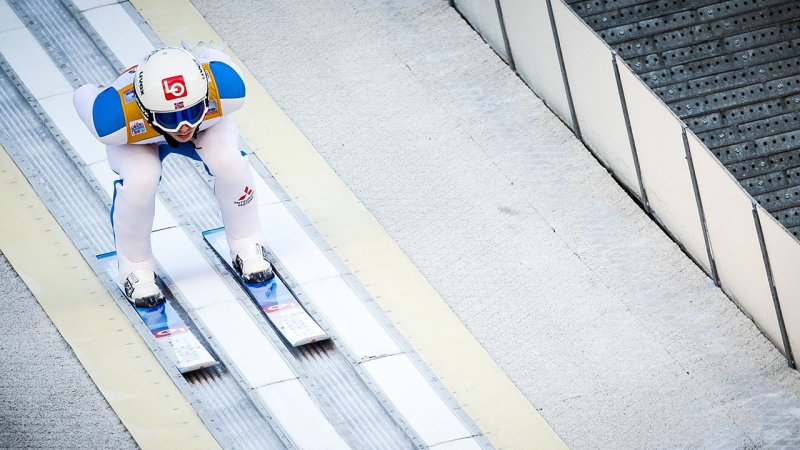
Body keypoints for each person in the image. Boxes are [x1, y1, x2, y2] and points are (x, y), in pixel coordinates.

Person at [73, 45, 273, 308]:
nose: (183, 127)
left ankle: (247, 242)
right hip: (138, 139)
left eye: (190, 112)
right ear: (143, 109)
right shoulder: (113, 118)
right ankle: (135, 266)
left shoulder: (227, 88)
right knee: (141, 179)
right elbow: (84, 95)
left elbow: (213, 55)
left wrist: (204, 53)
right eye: (171, 118)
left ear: (206, 95)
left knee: (228, 160)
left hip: (191, 127)